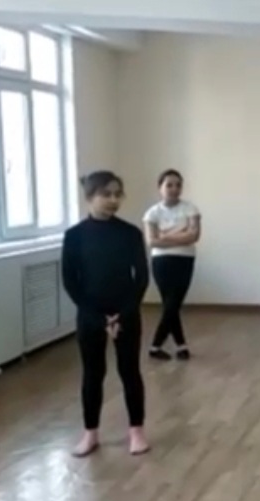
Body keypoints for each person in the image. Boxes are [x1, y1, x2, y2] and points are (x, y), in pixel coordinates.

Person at [61, 171, 150, 457]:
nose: (113, 200)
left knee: (129, 371)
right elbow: (70, 281)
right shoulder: (74, 236)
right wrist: (98, 318)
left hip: (126, 313)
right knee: (92, 374)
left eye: (117, 194)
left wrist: (123, 313)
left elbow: (141, 278)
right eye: (106, 194)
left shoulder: (130, 233)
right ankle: (91, 433)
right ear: (89, 197)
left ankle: (136, 431)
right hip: (90, 315)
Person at [143, 169, 201, 361]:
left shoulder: (190, 209)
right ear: (160, 187)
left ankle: (176, 345)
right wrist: (181, 234)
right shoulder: (152, 213)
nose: (174, 189)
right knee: (171, 304)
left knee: (173, 304)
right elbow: (152, 241)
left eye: (178, 185)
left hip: (185, 260)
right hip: (161, 262)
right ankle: (158, 346)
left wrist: (165, 236)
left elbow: (194, 236)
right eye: (169, 185)